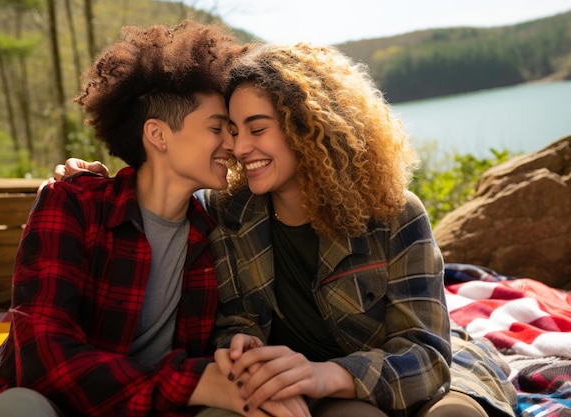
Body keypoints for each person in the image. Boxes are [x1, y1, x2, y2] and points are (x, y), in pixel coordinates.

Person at [45, 42, 518, 417]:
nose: (238, 146)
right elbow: (233, 321)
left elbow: (427, 356)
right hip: (300, 387)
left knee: (455, 411)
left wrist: (326, 375)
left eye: (256, 128)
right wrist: (240, 347)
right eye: (229, 128)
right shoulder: (229, 213)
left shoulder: (394, 214)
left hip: (391, 372)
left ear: (306, 126)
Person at [0, 22, 309, 417]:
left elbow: (230, 330)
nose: (234, 145)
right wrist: (196, 381)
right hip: (56, 403)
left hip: (156, 406)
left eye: (236, 130)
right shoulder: (73, 204)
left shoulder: (216, 227)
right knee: (22, 408)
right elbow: (43, 356)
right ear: (158, 134)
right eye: (217, 128)